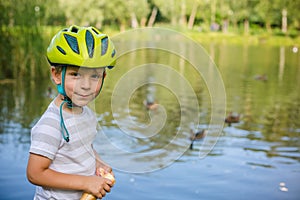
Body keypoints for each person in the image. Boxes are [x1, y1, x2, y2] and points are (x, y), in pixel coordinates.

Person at [26, 25, 117, 200]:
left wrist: (97, 163)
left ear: (103, 77)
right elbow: (35, 174)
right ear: (57, 75)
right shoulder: (51, 124)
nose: (85, 85)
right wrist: (86, 182)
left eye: (94, 76)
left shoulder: (87, 115)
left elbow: (84, 147)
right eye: (76, 75)